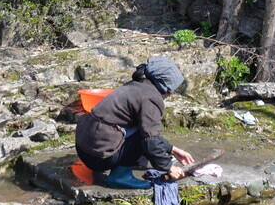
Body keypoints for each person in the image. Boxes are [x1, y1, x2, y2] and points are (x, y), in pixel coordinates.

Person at [75, 56, 195, 189]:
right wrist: (168, 167)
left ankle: (128, 164)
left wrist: (172, 149)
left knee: (144, 130)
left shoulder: (135, 85)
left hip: (84, 149)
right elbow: (151, 140)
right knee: (144, 137)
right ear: (165, 85)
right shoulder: (151, 97)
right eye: (172, 89)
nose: (172, 93)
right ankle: (120, 176)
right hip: (98, 157)